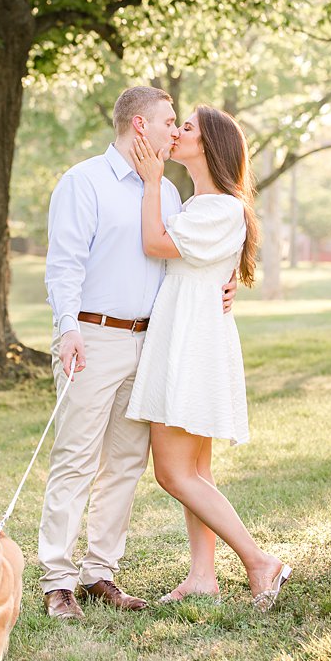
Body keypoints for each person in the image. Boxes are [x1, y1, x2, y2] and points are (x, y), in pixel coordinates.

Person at [39, 85, 234, 619]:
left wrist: (228, 279)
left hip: (151, 342)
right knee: (75, 459)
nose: (176, 130)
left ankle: (100, 571)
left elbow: (184, 258)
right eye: (170, 121)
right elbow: (64, 265)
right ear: (140, 126)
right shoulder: (83, 182)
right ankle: (57, 580)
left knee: (126, 462)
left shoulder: (168, 194)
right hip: (93, 337)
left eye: (179, 123)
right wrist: (68, 328)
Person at [124, 104, 292, 611]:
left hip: (191, 343)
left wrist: (152, 180)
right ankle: (203, 575)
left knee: (173, 474)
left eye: (188, 128)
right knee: (197, 471)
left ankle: (260, 562)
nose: (176, 133)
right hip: (190, 330)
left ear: (210, 144)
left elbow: (155, 243)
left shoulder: (219, 207)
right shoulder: (205, 205)